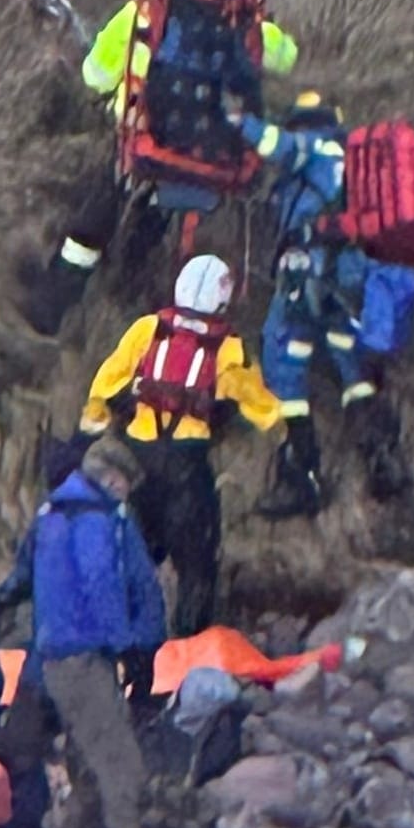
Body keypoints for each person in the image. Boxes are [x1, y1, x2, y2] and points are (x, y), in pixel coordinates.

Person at [22, 0, 299, 337]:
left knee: (90, 226)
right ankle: (134, 297)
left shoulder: (148, 11)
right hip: (213, 164)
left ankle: (51, 309)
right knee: (157, 230)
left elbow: (94, 75)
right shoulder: (246, 22)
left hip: (144, 150)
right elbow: (287, 59)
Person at [0, 435, 184, 828]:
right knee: (121, 762)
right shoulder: (101, 520)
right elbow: (104, 582)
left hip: (51, 662)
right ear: (111, 478)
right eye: (126, 483)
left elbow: (21, 578)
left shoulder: (50, 516)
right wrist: (130, 647)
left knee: (86, 764)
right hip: (87, 659)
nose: (127, 493)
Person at [223, 87, 410, 516]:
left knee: (283, 363)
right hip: (346, 276)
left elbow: (277, 147)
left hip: (308, 272)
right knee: (351, 366)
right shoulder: (352, 161)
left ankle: (301, 477)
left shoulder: (314, 147)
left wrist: (239, 121)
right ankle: (384, 462)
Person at [77, 253, 284, 633]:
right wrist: (280, 427)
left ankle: (116, 639)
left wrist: (96, 420)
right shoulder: (228, 349)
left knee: (132, 557)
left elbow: (105, 382)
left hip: (137, 464)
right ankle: (189, 646)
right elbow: (262, 406)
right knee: (197, 565)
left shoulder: (148, 329)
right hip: (187, 470)